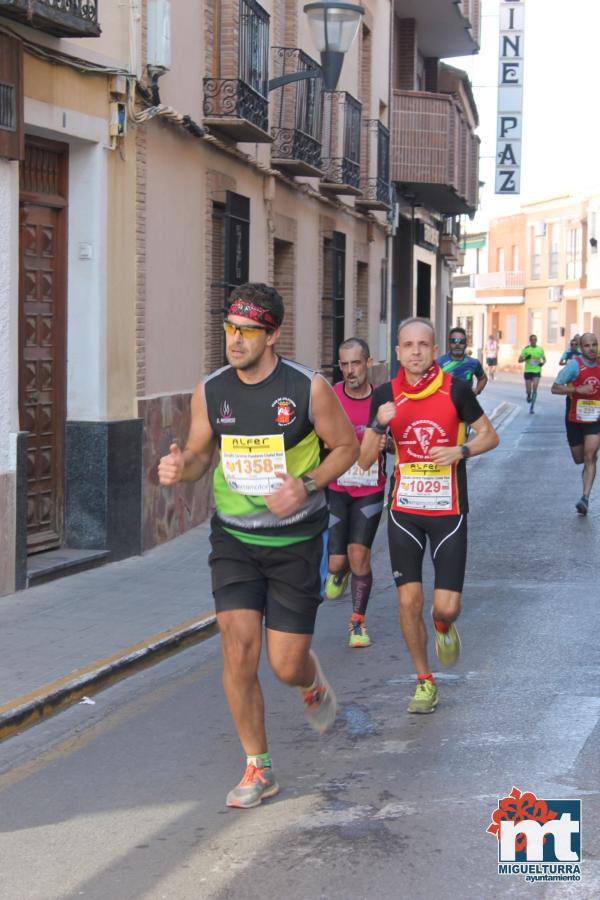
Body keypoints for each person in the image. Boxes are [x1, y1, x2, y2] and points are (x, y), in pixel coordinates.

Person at [158, 283, 358, 809]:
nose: (235, 339)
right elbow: (202, 456)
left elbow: (347, 447)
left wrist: (308, 484)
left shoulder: (308, 388)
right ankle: (258, 767)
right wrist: (184, 468)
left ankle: (310, 681)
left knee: (285, 664)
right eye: (229, 328)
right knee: (237, 649)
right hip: (235, 540)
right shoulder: (212, 390)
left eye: (247, 330)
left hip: (295, 541)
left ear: (272, 334)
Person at [358, 317, 499, 714]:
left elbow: (490, 434)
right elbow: (366, 460)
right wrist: (376, 423)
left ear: (433, 349)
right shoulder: (385, 396)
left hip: (449, 510)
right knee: (408, 601)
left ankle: (442, 625)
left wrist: (461, 451)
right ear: (398, 352)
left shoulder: (456, 391)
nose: (416, 351)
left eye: (423, 344)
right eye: (408, 345)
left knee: (446, 607)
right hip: (404, 511)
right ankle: (424, 681)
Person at [324, 337, 387, 648]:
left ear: (369, 363)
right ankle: (340, 571)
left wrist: (388, 444)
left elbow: (402, 437)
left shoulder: (383, 400)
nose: (350, 370)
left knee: (359, 555)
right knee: (336, 563)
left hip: (370, 489)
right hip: (336, 486)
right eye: (344, 364)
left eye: (356, 363)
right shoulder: (331, 397)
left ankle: (357, 623)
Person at [551, 332, 600, 515]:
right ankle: (588, 466)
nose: (592, 348)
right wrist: (577, 389)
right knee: (579, 458)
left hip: (595, 418)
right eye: (587, 345)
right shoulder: (574, 366)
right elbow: (555, 388)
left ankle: (585, 498)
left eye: (594, 344)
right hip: (574, 418)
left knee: (590, 456)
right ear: (580, 348)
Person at [438, 327, 488, 395]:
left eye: (461, 342)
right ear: (449, 344)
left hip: (466, 404)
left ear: (466, 344)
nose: (457, 344)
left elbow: (483, 378)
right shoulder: (439, 362)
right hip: (445, 403)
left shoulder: (474, 363)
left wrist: (476, 391)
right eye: (454, 341)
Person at [518, 334, 546, 412]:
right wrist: (526, 358)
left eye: (535, 339)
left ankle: (532, 407)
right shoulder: (526, 349)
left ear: (536, 340)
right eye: (532, 340)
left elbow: (544, 359)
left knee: (535, 389)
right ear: (530, 341)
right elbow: (519, 360)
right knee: (529, 390)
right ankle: (528, 395)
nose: (534, 341)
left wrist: (542, 363)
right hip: (528, 371)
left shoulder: (540, 349)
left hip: (536, 371)